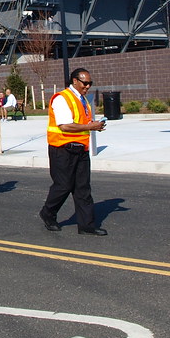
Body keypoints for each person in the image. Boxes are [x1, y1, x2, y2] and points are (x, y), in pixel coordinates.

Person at [39, 68, 107, 234]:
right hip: (62, 150)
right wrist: (91, 126)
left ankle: (87, 226)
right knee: (63, 186)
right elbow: (65, 125)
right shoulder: (62, 98)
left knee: (83, 188)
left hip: (81, 149)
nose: (88, 86)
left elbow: (81, 123)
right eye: (85, 83)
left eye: (90, 83)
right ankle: (48, 213)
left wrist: (94, 126)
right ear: (75, 81)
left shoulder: (82, 99)